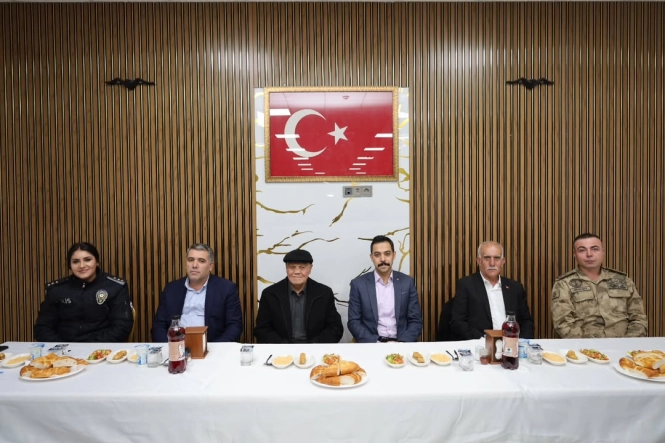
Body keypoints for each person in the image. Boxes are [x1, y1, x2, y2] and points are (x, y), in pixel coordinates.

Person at [551, 233, 647, 338]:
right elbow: (563, 324)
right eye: (582, 250)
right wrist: (590, 346)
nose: (589, 254)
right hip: (584, 346)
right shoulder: (564, 283)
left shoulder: (622, 280)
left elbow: (639, 318)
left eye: (595, 249)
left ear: (603, 252)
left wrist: (628, 343)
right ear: (575, 254)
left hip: (625, 345)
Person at [34, 242, 134, 342]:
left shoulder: (115, 287)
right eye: (75, 261)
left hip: (102, 347)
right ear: (70, 265)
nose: (82, 265)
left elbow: (122, 327)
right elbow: (43, 327)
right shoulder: (56, 290)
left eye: (87, 260)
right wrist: (61, 347)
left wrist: (92, 347)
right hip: (63, 348)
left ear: (97, 262)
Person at [152, 243, 242, 342]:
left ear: (210, 266)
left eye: (201, 261)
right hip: (176, 345)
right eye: (191, 260)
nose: (194, 265)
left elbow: (234, 325)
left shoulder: (226, 289)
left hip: (211, 346)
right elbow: (159, 325)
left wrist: (214, 348)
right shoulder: (171, 289)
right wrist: (169, 346)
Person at [254, 249, 343, 344]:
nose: (297, 272)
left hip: (315, 348)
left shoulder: (324, 293)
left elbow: (335, 328)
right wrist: (284, 346)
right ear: (286, 268)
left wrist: (314, 345)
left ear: (310, 268)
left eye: (302, 267)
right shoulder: (270, 294)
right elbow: (262, 329)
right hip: (281, 349)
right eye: (292, 267)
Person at [450, 241, 535, 340]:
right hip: (480, 344)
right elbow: (458, 322)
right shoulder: (466, 285)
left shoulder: (515, 288)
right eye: (487, 258)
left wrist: (521, 342)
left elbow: (526, 321)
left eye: (497, 258)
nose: (492, 263)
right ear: (479, 261)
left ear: (503, 261)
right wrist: (485, 341)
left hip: (512, 343)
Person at [347, 235, 423, 343]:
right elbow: (354, 322)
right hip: (372, 344)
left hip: (402, 344)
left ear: (394, 255)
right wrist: (377, 343)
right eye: (377, 255)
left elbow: (415, 321)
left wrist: (401, 343)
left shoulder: (407, 282)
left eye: (387, 254)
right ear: (371, 257)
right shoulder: (358, 285)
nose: (383, 259)